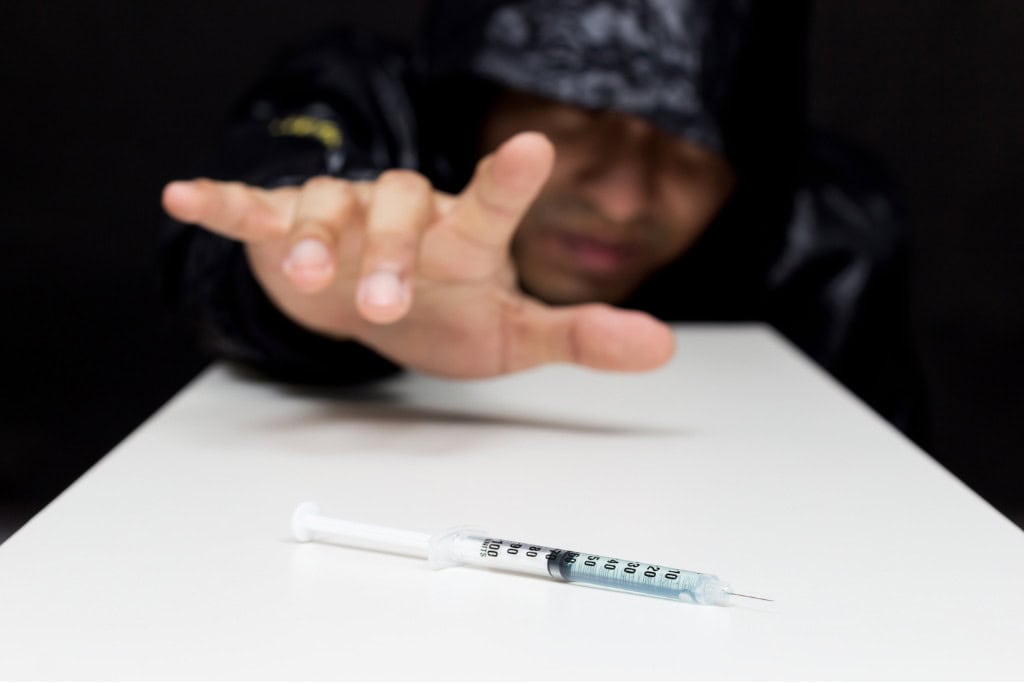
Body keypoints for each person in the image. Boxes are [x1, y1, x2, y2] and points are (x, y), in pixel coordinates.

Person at [161, 0, 922, 435]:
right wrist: (299, 281)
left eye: (691, 152)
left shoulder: (829, 233)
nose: (622, 202)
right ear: (484, 97)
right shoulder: (374, 104)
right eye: (578, 117)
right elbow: (267, 196)